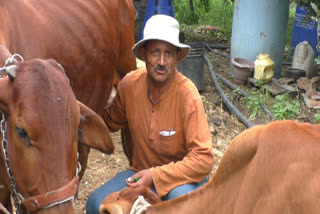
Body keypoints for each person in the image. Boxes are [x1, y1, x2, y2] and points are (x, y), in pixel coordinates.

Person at [86, 14, 214, 214]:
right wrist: (93, 97)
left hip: (181, 180)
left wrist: (155, 176)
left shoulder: (187, 94)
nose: (161, 62)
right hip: (139, 174)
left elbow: (203, 159)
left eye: (169, 54)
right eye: (155, 52)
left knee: (179, 203)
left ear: (177, 57)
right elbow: (107, 122)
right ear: (144, 54)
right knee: (95, 203)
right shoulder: (129, 85)